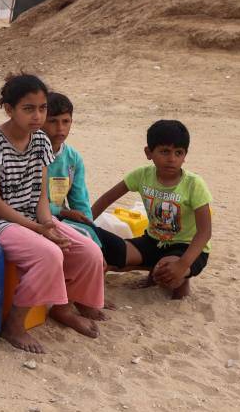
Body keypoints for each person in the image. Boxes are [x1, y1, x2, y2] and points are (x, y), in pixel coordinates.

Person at [0, 74, 105, 354]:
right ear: (10, 109)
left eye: (42, 108)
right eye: (28, 109)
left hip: (30, 216)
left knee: (88, 251)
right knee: (49, 254)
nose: (37, 116)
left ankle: (64, 309)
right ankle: (14, 324)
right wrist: (36, 228)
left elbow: (40, 195)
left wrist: (46, 224)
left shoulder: (40, 141)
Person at [91, 120, 212, 300]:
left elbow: (205, 233)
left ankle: (181, 280)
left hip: (186, 247)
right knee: (107, 257)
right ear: (149, 153)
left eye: (178, 153)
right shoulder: (141, 175)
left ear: (185, 156)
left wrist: (182, 264)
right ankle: (153, 269)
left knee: (168, 274)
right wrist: (86, 224)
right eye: (165, 151)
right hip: (152, 241)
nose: (172, 159)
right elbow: (107, 199)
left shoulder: (194, 184)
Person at [43, 92, 128, 271]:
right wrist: (64, 213)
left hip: (67, 218)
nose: (60, 128)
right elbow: (29, 202)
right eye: (53, 121)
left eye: (65, 121)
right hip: (40, 219)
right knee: (71, 249)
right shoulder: (33, 155)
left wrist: (91, 231)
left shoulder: (73, 159)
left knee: (116, 250)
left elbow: (80, 202)